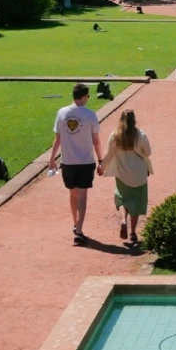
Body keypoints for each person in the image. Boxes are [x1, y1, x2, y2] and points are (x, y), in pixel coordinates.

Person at [50, 83, 103, 245]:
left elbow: (57, 139)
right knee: (82, 196)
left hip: (67, 162)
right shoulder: (90, 115)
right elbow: (96, 141)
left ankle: (76, 224)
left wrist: (52, 159)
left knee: (72, 194)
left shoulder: (62, 113)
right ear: (84, 96)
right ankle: (79, 231)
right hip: (85, 162)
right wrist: (101, 160)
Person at [100, 109, 153, 245]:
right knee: (136, 202)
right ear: (134, 120)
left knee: (123, 198)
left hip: (122, 174)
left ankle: (123, 220)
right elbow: (148, 152)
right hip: (139, 174)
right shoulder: (141, 135)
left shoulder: (115, 136)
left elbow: (108, 155)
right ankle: (133, 232)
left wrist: (102, 168)